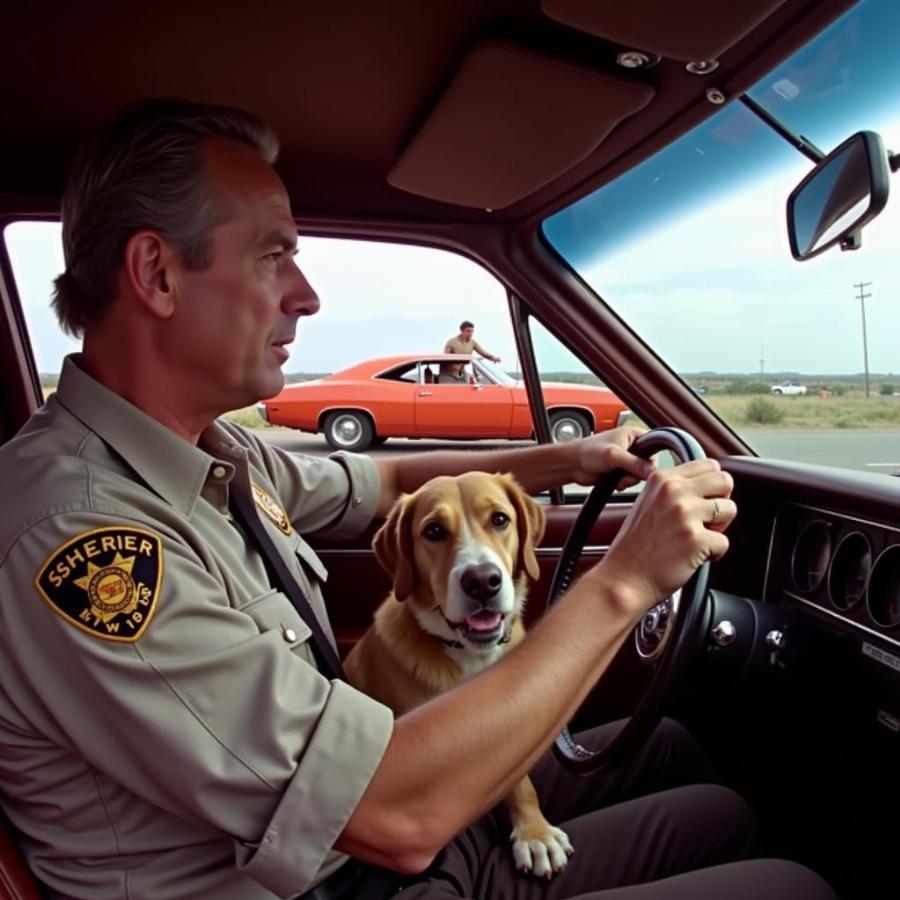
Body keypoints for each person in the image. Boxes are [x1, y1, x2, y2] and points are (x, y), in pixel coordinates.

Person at [0, 99, 837, 900]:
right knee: (788, 886)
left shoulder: (216, 449)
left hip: (363, 839)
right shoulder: (82, 532)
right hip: (342, 869)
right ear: (156, 273)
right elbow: (393, 818)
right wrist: (626, 581)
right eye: (272, 255)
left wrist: (570, 457)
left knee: (696, 783)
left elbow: (396, 482)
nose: (306, 294)